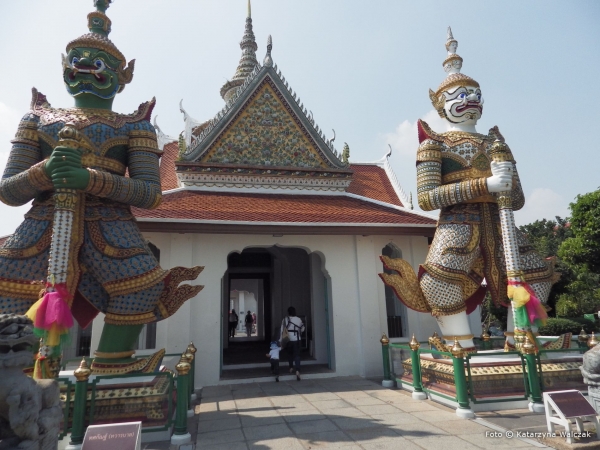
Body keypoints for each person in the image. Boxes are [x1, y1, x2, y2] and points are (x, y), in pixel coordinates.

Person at [0, 0, 203, 376]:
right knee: (9, 291)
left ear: (121, 76)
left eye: (98, 64)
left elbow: (150, 193)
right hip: (41, 225)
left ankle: (110, 367)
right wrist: (45, 171)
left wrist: (89, 179)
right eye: (76, 61)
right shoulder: (37, 118)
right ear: (64, 66)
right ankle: (20, 375)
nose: (84, 70)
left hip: (109, 227)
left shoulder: (133, 125)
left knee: (142, 286)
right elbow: (8, 191)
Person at [280, 306, 304, 381]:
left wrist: (280, 341)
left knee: (290, 354)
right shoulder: (298, 319)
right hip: (297, 339)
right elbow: (303, 329)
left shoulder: (285, 319)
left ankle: (291, 367)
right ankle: (297, 370)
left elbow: (282, 330)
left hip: (288, 340)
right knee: (297, 355)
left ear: (288, 312)